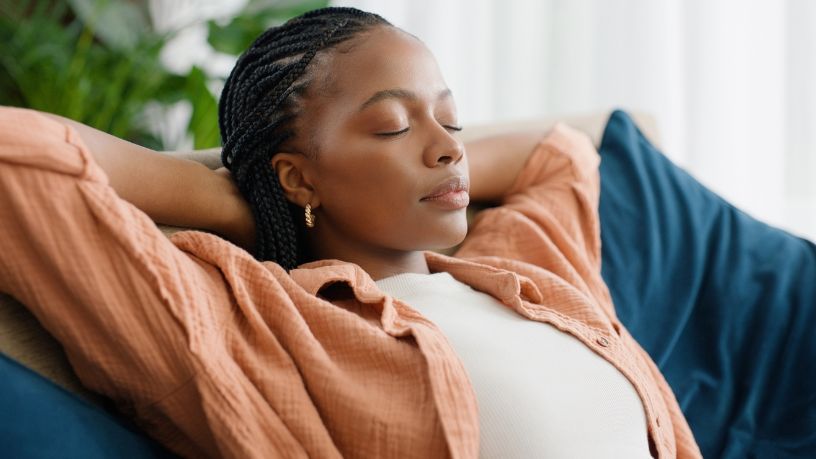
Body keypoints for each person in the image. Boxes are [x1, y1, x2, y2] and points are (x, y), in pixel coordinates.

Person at [0, 6, 702, 459]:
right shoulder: (255, 327)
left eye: (451, 119)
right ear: (299, 177)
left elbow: (561, 154)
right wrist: (233, 198)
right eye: (394, 125)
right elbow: (16, 157)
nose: (449, 147)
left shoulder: (522, 267)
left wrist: (406, 152)